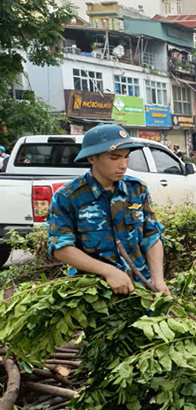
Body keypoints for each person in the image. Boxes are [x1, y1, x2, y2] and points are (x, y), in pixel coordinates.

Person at [46, 124, 169, 295]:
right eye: (115, 158)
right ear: (92, 158)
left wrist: (157, 279)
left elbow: (151, 235)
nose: (123, 165)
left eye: (126, 157)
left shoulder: (137, 189)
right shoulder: (68, 196)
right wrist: (108, 271)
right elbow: (61, 247)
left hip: (141, 288)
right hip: (92, 293)